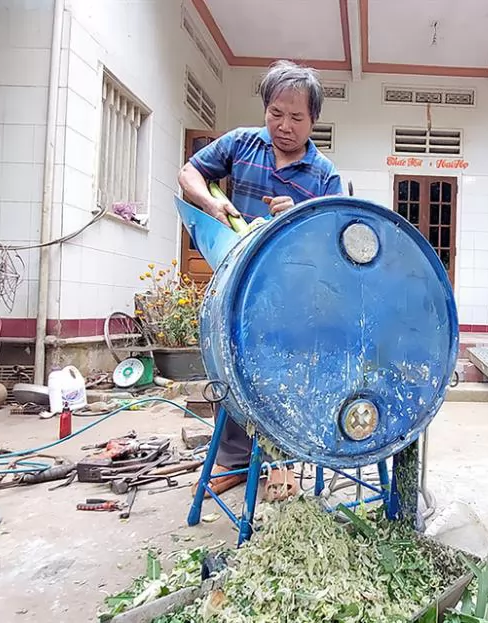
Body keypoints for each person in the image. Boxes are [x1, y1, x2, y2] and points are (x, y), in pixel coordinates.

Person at [178, 59, 343, 500]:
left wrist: (299, 219)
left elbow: (335, 237)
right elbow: (189, 173)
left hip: (291, 295)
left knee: (282, 373)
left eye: (297, 117)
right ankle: (232, 461)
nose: (284, 125)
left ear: (314, 121)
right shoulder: (240, 144)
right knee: (230, 367)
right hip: (236, 287)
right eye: (276, 113)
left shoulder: (324, 174)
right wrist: (213, 206)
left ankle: (282, 461)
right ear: (265, 108)